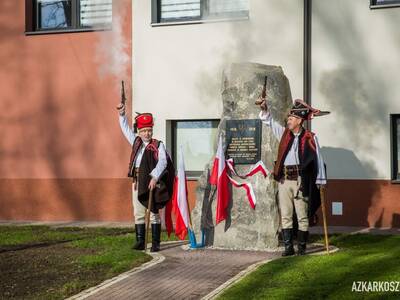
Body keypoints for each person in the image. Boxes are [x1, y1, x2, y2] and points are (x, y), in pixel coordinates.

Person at [258, 98, 327, 256]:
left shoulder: (310, 137)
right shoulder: (284, 135)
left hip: (300, 181)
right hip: (284, 181)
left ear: (299, 120)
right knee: (286, 215)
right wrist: (264, 108)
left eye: (290, 119)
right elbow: (268, 120)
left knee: (302, 215)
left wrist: (321, 181)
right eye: (288, 119)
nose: (288, 121)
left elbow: (319, 159)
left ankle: (301, 247)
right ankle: (288, 248)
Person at [117, 103, 173, 252]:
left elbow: (163, 162)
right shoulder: (136, 143)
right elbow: (125, 130)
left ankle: (155, 242)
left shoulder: (158, 145)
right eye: (144, 131)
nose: (147, 133)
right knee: (138, 212)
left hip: (151, 182)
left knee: (153, 212)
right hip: (137, 181)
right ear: (139, 131)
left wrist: (154, 177)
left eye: (149, 130)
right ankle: (140, 241)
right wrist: (122, 115)